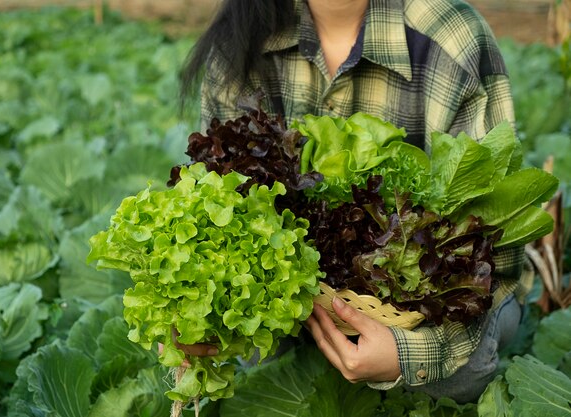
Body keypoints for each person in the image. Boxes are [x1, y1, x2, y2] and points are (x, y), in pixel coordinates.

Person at [176, 0, 531, 403]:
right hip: (303, 302)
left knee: (451, 378)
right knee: (253, 360)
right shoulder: (241, 36)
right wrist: (199, 306)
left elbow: (493, 264)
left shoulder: (451, 37)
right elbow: (219, 209)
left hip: (420, 308)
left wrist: (408, 356)